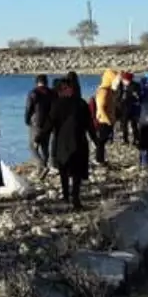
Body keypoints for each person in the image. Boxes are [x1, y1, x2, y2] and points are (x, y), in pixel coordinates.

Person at [40, 72, 92, 210]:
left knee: (64, 170)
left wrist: (39, 137)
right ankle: (75, 198)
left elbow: (49, 124)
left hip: (62, 143)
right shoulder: (81, 103)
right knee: (77, 173)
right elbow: (89, 124)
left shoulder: (57, 104)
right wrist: (95, 138)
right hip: (79, 141)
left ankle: (65, 196)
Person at [24, 75, 54, 173]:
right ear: (46, 82)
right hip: (49, 123)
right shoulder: (51, 93)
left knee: (32, 146)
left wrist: (27, 120)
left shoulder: (33, 93)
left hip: (36, 123)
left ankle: (41, 165)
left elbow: (28, 108)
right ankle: (43, 166)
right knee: (45, 146)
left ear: (37, 82)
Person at [92, 70, 117, 165]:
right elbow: (101, 108)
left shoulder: (109, 90)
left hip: (108, 120)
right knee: (101, 141)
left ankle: (101, 159)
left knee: (102, 141)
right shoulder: (103, 91)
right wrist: (109, 121)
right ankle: (99, 159)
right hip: (104, 121)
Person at [115, 72, 141, 146]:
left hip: (132, 107)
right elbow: (117, 95)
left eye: (127, 80)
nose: (126, 82)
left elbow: (138, 96)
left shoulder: (135, 85)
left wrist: (136, 96)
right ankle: (125, 139)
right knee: (124, 124)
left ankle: (136, 139)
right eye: (124, 80)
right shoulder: (120, 85)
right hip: (122, 108)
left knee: (134, 124)